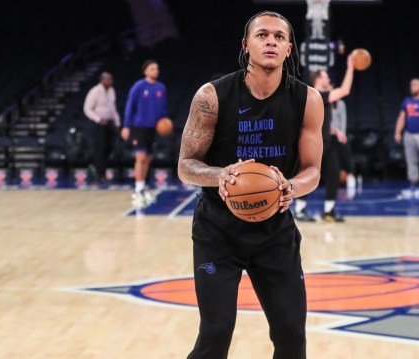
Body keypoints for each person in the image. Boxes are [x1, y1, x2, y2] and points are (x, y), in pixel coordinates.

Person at [177, 11, 324, 359]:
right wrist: (220, 176)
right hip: (218, 233)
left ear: (289, 48)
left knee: (291, 337)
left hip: (275, 235)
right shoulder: (211, 96)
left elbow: (313, 171)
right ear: (246, 45)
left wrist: (290, 186)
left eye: (278, 36)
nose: (270, 41)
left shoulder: (308, 100)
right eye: (261, 35)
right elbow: (185, 165)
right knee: (215, 333)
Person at [293, 60, 354, 223]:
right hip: (314, 144)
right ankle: (299, 210)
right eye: (326, 77)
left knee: (334, 175)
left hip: (328, 141)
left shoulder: (320, 97)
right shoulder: (317, 95)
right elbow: (345, 90)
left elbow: (323, 120)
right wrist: (351, 67)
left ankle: (328, 211)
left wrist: (335, 130)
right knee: (309, 175)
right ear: (318, 79)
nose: (329, 79)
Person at [121, 60, 167, 205]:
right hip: (139, 127)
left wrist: (164, 124)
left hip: (153, 128)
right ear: (145, 71)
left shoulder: (161, 87)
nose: (156, 71)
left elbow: (163, 109)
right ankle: (137, 189)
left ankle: (143, 187)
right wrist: (126, 126)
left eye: (157, 68)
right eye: (152, 68)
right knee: (140, 157)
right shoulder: (139, 86)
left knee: (148, 159)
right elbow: (130, 105)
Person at [83, 72, 121, 184]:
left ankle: (100, 170)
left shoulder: (111, 91)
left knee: (109, 147)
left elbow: (113, 108)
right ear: (102, 80)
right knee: (100, 149)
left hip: (109, 123)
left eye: (111, 79)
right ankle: (100, 174)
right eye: (108, 79)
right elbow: (87, 109)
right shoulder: (94, 91)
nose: (110, 81)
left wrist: (117, 122)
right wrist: (98, 119)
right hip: (99, 124)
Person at [332, 99, 356, 190]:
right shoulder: (322, 101)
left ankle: (350, 175)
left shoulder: (341, 103)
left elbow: (343, 119)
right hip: (326, 134)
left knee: (345, 150)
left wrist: (341, 134)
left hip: (339, 135)